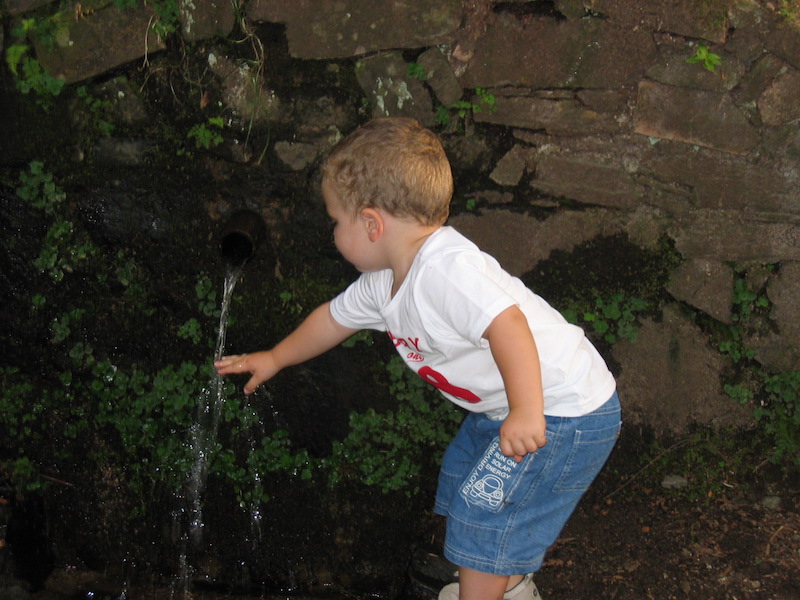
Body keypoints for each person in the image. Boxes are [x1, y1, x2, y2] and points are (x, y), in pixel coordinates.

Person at [215, 117, 621, 600]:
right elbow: (332, 319)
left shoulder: (446, 270)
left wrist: (526, 410)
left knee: (483, 512)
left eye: (335, 221)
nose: (332, 234)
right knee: (464, 480)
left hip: (562, 410)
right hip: (510, 410)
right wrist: (275, 358)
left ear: (371, 223)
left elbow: (508, 326)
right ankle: (508, 586)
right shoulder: (383, 285)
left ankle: (489, 588)